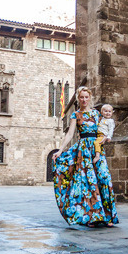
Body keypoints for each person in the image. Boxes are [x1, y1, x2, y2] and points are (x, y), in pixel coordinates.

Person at [52, 87, 119, 227]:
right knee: (89, 183)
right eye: (81, 97)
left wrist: (106, 138)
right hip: (83, 150)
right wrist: (60, 150)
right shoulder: (75, 115)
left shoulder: (96, 113)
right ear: (78, 98)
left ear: (90, 98)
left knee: (104, 178)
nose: (84, 100)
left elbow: (105, 126)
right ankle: (92, 217)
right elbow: (70, 134)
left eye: (86, 97)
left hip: (96, 149)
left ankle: (108, 216)